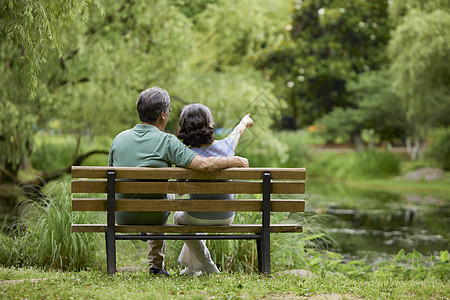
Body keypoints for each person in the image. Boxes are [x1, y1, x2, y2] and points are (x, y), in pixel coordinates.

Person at [108, 88, 249, 276]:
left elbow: (110, 177)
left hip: (122, 214)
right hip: (154, 216)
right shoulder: (167, 141)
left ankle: (190, 267)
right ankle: (157, 266)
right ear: (163, 115)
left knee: (164, 196)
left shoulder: (118, 139)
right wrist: (234, 160)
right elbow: (204, 164)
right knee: (162, 197)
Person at [174, 103, 253, 275]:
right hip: (226, 216)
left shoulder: (185, 156)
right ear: (210, 125)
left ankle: (206, 263)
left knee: (179, 219)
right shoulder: (227, 146)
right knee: (191, 220)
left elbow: (179, 192)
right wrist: (245, 121)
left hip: (197, 217)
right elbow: (237, 131)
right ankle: (192, 267)